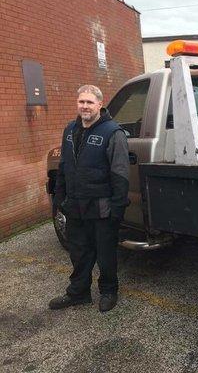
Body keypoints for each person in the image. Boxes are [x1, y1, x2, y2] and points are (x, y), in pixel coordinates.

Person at [49, 85, 129, 313]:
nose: (85, 106)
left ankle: (109, 291)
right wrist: (59, 199)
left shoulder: (113, 133)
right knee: (79, 252)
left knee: (105, 254)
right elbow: (64, 166)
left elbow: (121, 174)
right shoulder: (70, 130)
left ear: (100, 105)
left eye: (90, 102)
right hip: (75, 205)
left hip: (102, 207)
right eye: (81, 101)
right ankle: (78, 293)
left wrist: (117, 209)